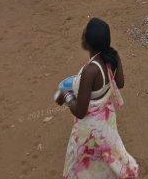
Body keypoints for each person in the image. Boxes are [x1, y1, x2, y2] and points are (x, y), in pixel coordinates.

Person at [57, 18, 139, 178]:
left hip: (90, 127)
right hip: (106, 121)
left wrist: (66, 95)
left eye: (83, 34)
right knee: (106, 152)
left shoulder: (90, 71)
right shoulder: (112, 57)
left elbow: (80, 112)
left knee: (84, 160)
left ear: (88, 43)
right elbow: (120, 83)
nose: (82, 37)